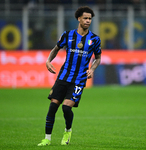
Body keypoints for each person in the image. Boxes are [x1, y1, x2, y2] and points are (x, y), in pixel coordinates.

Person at [38, 6, 101, 146]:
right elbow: (56, 49)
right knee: (53, 106)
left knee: (66, 107)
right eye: (85, 18)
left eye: (90, 18)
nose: (88, 21)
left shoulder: (95, 39)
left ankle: (68, 130)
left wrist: (92, 69)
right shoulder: (68, 35)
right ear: (78, 18)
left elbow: (98, 58)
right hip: (63, 77)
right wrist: (48, 61)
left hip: (79, 79)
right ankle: (47, 139)